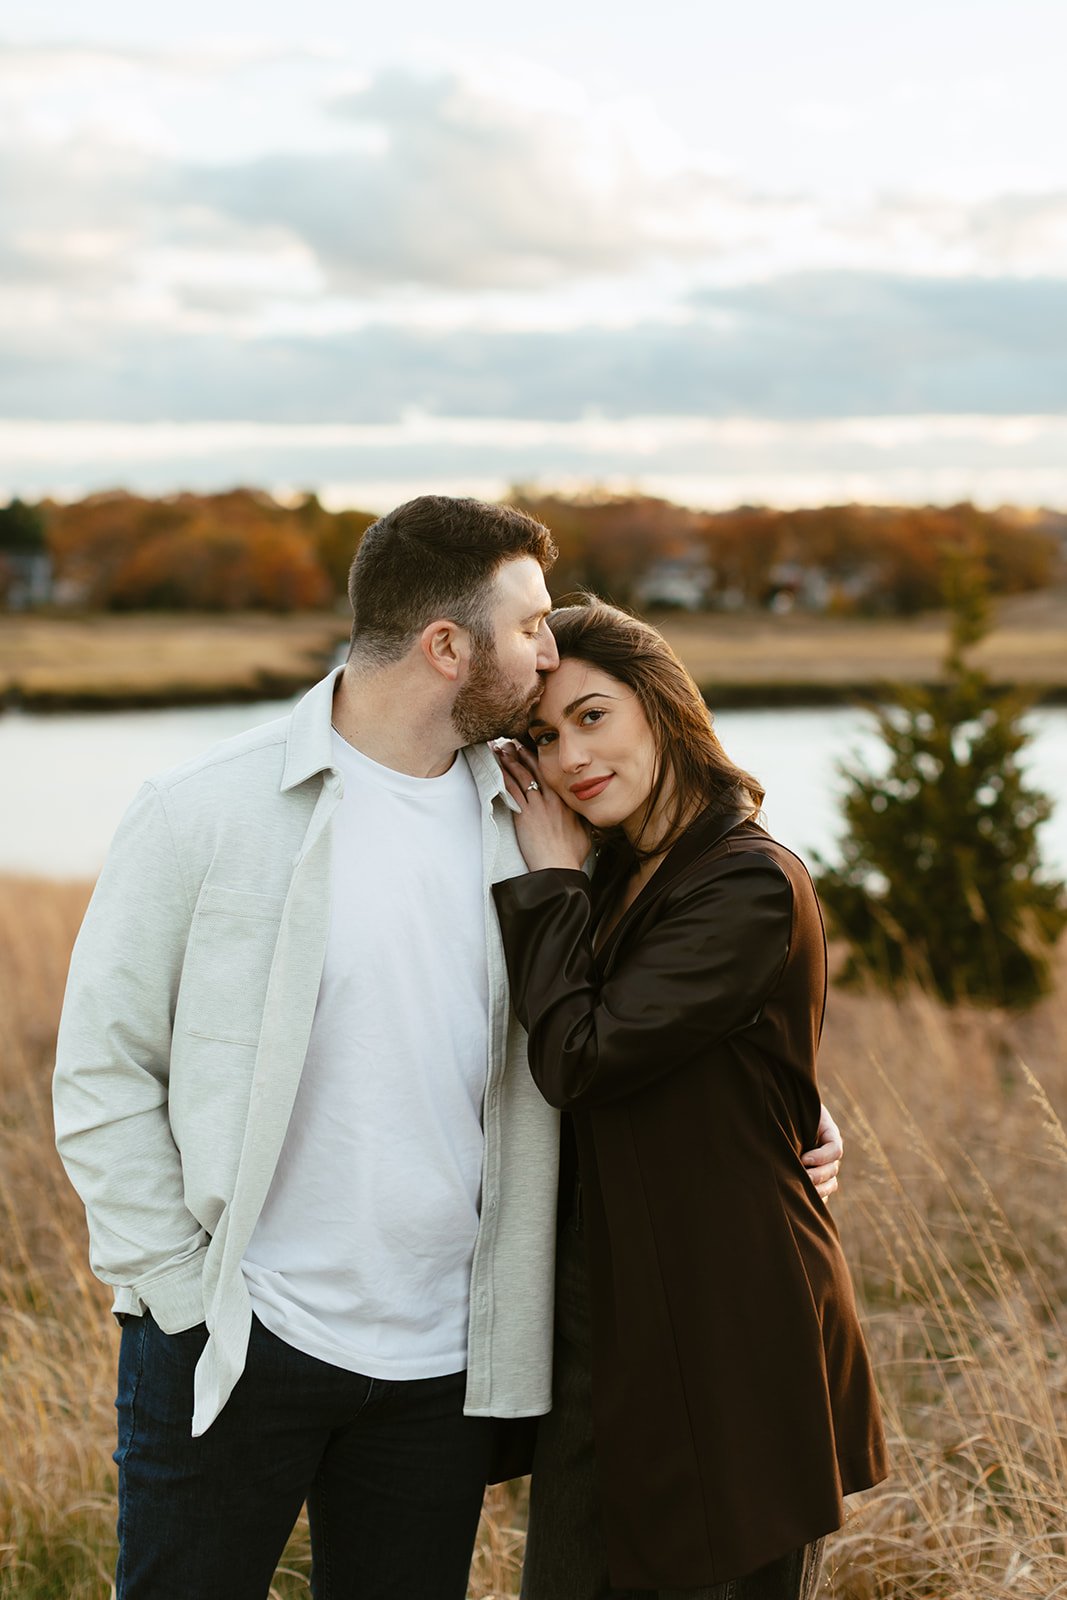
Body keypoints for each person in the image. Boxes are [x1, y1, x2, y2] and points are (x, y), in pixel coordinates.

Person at [52, 495, 844, 1600]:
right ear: (444, 647)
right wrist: (183, 1298)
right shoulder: (203, 810)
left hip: (440, 1366)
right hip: (235, 1341)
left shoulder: (527, 820)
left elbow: (658, 985)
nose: (548, 650)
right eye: (528, 629)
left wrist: (795, 1110)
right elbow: (100, 1069)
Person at [493, 598, 888, 1600]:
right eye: (542, 735)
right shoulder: (615, 868)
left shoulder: (744, 880)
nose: (570, 757)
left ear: (659, 705)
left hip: (726, 1321)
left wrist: (547, 883)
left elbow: (581, 1055)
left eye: (592, 715)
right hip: (605, 1314)